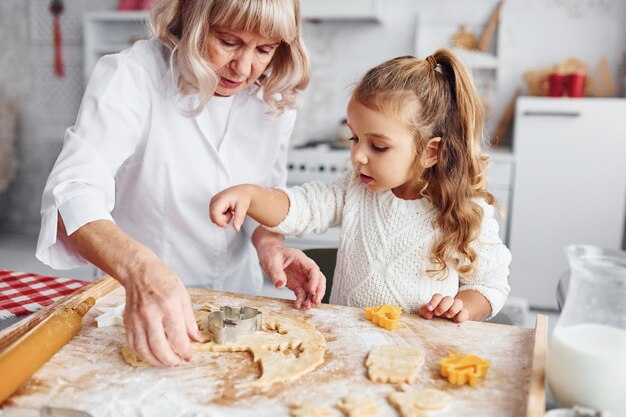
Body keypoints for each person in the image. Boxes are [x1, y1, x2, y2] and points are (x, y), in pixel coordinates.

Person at [36, 0, 326, 368]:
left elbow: (263, 194)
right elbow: (73, 192)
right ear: (193, 20)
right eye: (229, 41)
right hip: (138, 301)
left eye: (264, 49)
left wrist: (271, 245)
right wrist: (139, 269)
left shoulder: (274, 95)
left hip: (237, 301)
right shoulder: (132, 75)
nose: (244, 67)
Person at [209, 50, 512, 323]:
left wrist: (462, 307)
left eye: (378, 146)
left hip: (417, 354)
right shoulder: (354, 189)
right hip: (348, 346)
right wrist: (251, 194)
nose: (358, 156)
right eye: (355, 139)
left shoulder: (466, 211)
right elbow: (302, 207)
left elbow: (489, 285)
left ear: (430, 152)